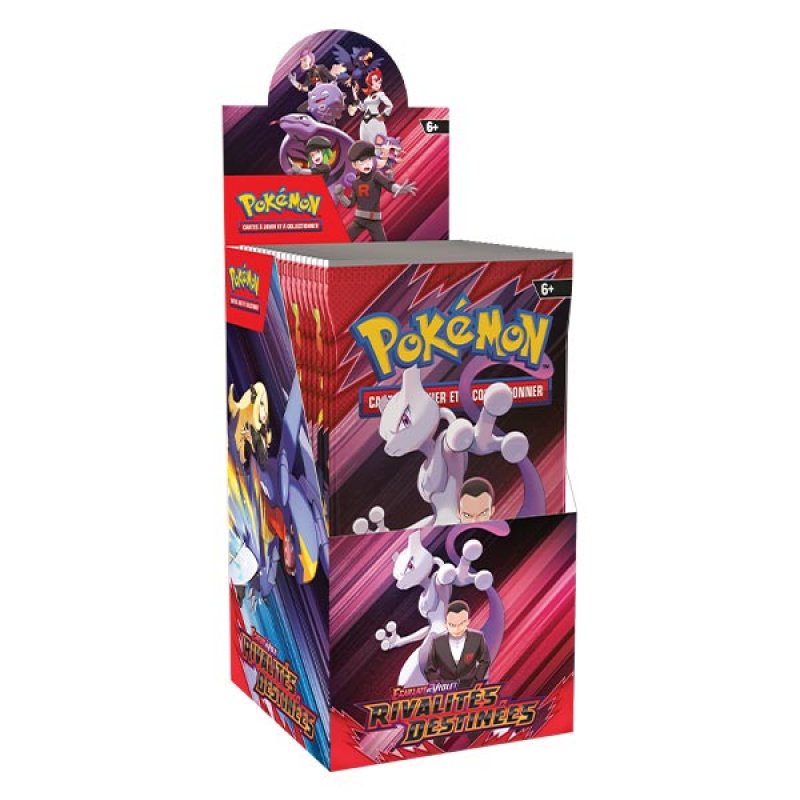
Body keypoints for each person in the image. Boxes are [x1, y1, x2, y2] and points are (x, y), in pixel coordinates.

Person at [424, 600, 491, 688]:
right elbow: (429, 670)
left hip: (472, 688)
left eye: (461, 624)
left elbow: (485, 661)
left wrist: (477, 680)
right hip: (447, 690)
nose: (457, 629)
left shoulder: (477, 638)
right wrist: (440, 685)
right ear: (446, 624)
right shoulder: (437, 643)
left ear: (468, 621)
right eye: (452, 625)